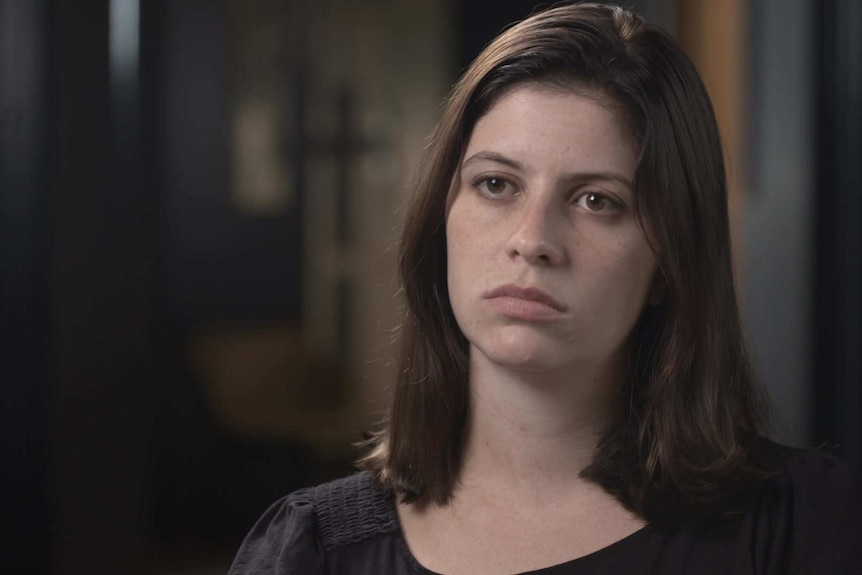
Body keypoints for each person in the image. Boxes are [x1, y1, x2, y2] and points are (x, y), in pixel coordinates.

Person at [229, 3, 862, 574]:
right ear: (438, 220)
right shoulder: (313, 550)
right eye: (497, 185)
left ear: (671, 263)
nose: (532, 240)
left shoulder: (803, 526)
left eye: (596, 200)